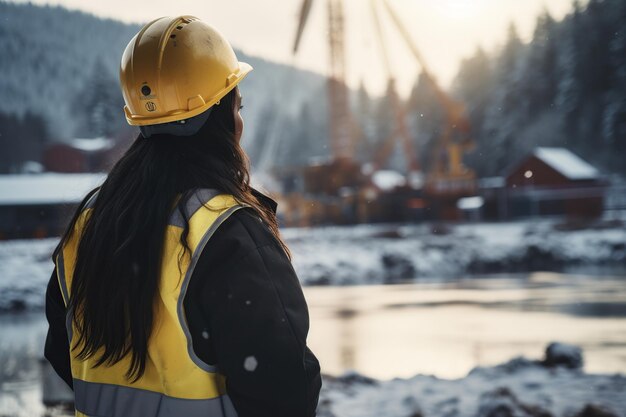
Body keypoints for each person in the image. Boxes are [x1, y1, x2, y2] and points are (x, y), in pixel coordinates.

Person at [44, 15, 322, 417]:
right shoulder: (227, 233)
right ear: (222, 116)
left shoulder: (90, 221)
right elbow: (285, 392)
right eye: (237, 106)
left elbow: (62, 353)